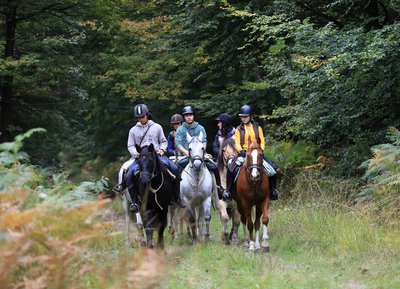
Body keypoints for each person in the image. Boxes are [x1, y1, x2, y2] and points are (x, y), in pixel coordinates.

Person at [125, 104, 186, 212]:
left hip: (157, 156)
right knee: (129, 174)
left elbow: (163, 141)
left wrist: (162, 149)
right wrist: (135, 153)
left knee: (175, 169)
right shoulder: (132, 130)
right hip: (141, 158)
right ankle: (135, 202)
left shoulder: (157, 127)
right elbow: (130, 145)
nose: (141, 119)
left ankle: (176, 197)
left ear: (147, 115)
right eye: (139, 117)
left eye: (142, 116)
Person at [222, 105, 279, 201]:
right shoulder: (238, 129)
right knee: (231, 169)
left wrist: (261, 150)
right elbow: (237, 142)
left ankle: (272, 190)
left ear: (251, 116)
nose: (243, 119)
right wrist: (241, 151)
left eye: (246, 117)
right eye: (242, 117)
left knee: (272, 170)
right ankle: (228, 191)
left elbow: (262, 141)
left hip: (257, 154)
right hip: (244, 154)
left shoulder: (258, 128)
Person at [175, 105, 224, 194]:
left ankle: (219, 188)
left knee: (214, 167)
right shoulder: (180, 130)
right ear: (184, 117)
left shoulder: (200, 128)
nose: (189, 117)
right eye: (186, 115)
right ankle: (177, 192)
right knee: (175, 169)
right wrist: (186, 152)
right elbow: (178, 143)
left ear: (193, 116)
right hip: (185, 156)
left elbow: (204, 141)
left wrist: (201, 152)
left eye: (190, 115)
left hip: (200, 155)